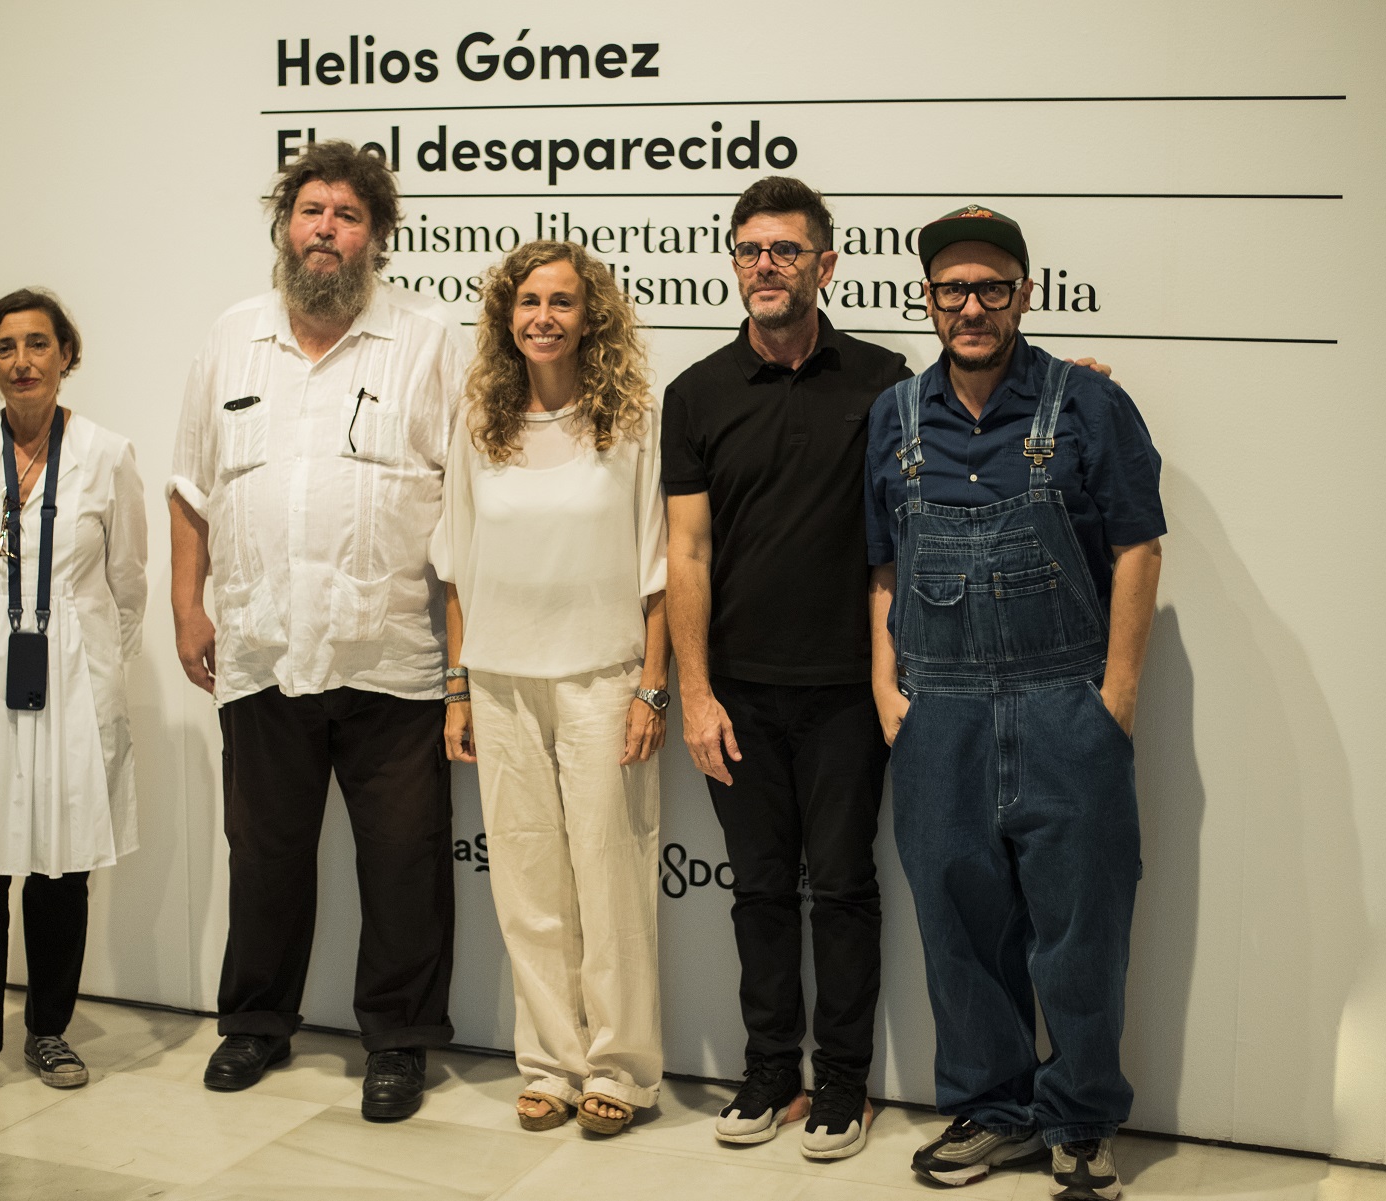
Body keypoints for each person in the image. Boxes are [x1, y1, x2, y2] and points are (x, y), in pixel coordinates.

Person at [865, 206, 1164, 1200]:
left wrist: (1115, 697)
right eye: (953, 288)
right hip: (938, 711)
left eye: (992, 286)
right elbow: (883, 566)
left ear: (1024, 294)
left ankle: (1079, 1121)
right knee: (959, 927)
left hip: (1063, 702)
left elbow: (1138, 546)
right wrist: (885, 687)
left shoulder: (1089, 403)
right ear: (928, 299)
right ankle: (993, 1111)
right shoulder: (895, 416)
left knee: (1080, 928)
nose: (972, 305)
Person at [168, 140, 466, 1118]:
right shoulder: (232, 337)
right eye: (311, 211)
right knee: (263, 856)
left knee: (405, 863)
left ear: (376, 236)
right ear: (283, 227)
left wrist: (461, 663)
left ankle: (399, 1041)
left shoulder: (427, 338)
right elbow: (190, 487)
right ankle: (255, 1021)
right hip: (261, 647)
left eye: (347, 214)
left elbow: (464, 504)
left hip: (392, 656)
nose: (326, 229)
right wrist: (187, 605)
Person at [662, 176, 912, 1160]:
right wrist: (694, 693)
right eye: (750, 249)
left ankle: (844, 1079)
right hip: (737, 696)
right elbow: (686, 554)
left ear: (825, 264)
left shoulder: (885, 382)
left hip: (850, 692)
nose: (765, 265)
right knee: (760, 890)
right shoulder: (696, 394)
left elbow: (903, 533)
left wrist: (1079, 382)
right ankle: (770, 1068)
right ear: (734, 262)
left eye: (786, 249)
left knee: (843, 887)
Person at [432, 240, 669, 1136]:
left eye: (562, 302)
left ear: (590, 316)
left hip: (603, 679)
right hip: (499, 681)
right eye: (528, 301)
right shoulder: (479, 421)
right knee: (527, 887)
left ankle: (621, 1068)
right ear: (507, 315)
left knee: (612, 883)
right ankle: (550, 1065)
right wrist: (457, 688)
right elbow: (457, 569)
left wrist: (652, 687)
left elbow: (660, 570)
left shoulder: (630, 420)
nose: (543, 317)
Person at [0, 288, 148, 1109]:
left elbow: (128, 584)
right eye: (4, 347)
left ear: (66, 355)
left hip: (74, 674)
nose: (22, 361)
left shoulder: (108, 453)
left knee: (61, 865)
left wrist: (91, 665)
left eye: (38, 343)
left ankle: (50, 1029)